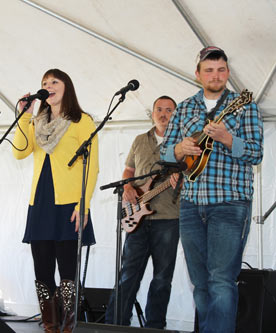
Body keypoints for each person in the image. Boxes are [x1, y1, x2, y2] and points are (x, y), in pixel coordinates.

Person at [161, 46, 264, 332]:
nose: (215, 75)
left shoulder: (245, 106)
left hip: (230, 203)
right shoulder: (184, 108)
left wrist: (229, 139)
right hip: (192, 203)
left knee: (221, 280)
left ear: (228, 73)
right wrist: (180, 148)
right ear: (198, 74)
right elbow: (165, 154)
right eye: (209, 70)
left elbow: (256, 153)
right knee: (200, 283)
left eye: (220, 70)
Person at [12, 68, 99, 333]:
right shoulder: (36, 122)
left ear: (66, 87)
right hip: (40, 203)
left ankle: (68, 327)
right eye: (44, 83)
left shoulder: (82, 121)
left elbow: (92, 166)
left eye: (54, 82)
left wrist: (83, 205)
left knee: (68, 272)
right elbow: (19, 152)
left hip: (70, 204)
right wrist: (24, 116)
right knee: (42, 270)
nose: (48, 86)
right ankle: (50, 325)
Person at [105, 96, 180, 329]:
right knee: (128, 276)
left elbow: (195, 174)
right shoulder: (139, 140)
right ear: (152, 113)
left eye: (169, 110)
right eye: (159, 109)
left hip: (168, 218)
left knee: (161, 279)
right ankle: (115, 325)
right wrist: (128, 186)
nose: (163, 113)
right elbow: (128, 170)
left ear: (175, 115)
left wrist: (182, 180)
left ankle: (155, 327)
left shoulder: (184, 143)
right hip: (136, 218)